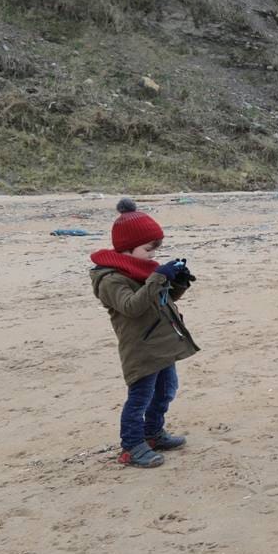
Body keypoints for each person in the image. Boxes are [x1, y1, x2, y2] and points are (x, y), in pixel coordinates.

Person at [89, 198, 201, 468]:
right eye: (148, 248)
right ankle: (131, 447)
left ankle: (152, 434)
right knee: (140, 398)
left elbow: (161, 300)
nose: (153, 254)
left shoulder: (142, 269)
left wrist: (178, 283)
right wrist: (158, 277)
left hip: (162, 344)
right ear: (127, 248)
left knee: (166, 391)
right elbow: (132, 307)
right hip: (141, 349)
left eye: (156, 248)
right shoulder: (110, 279)